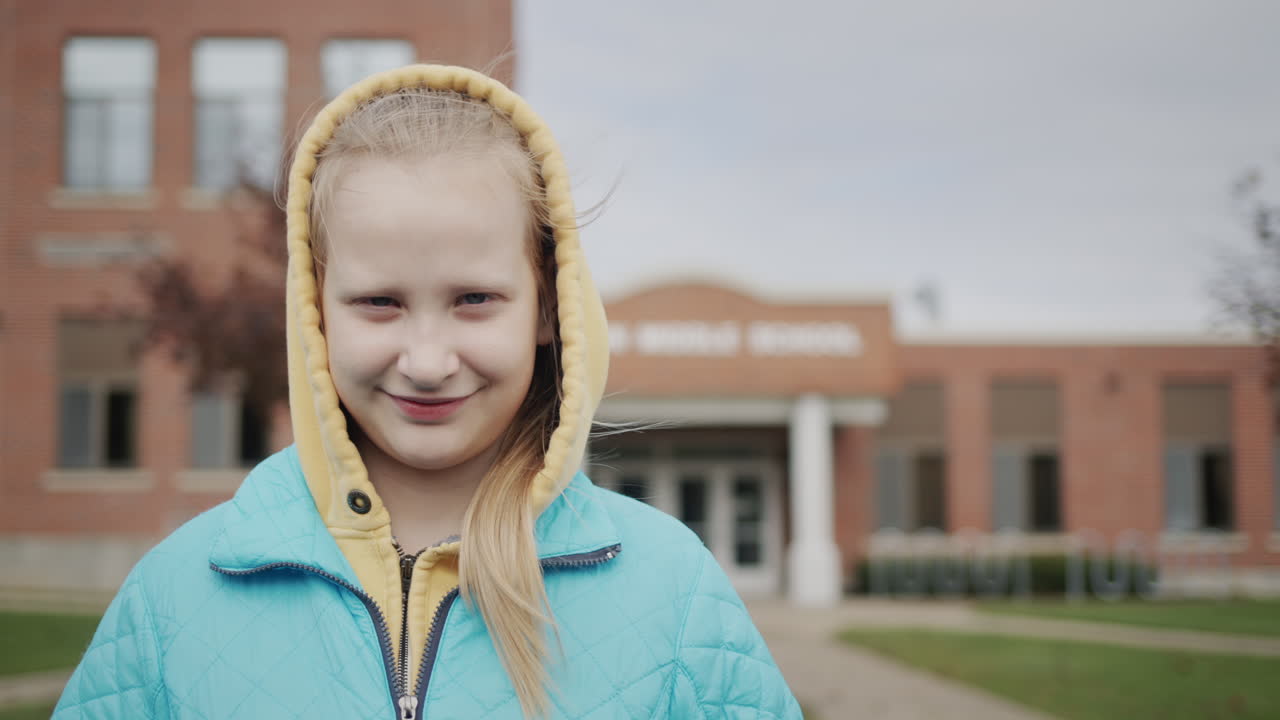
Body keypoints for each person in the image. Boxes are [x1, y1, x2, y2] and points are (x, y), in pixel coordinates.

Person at [54, 64, 802, 719]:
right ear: (314, 312)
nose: (427, 360)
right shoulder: (174, 598)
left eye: (474, 299)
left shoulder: (670, 594)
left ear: (548, 307)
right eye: (379, 302)